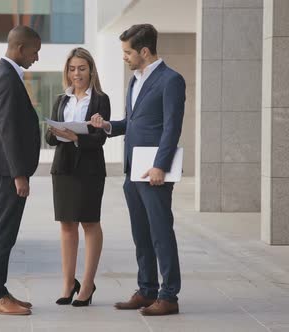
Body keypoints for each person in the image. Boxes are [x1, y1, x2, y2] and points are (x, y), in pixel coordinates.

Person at [90, 24, 185, 316]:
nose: (125, 57)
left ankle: (169, 295)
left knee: (160, 233)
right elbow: (133, 123)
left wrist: (160, 165)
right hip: (133, 170)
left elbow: (172, 127)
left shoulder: (171, 80)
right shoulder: (135, 80)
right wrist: (108, 126)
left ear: (144, 51)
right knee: (141, 234)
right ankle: (147, 290)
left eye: (128, 52)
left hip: (153, 171)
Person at [0, 25, 41, 316]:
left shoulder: (5, 74)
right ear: (20, 49)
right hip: (7, 169)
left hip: (4, 167)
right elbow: (9, 131)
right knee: (4, 232)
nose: (36, 58)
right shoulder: (5, 77)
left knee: (6, 231)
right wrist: (19, 174)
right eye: (34, 52)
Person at [45, 47, 111, 307]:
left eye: (81, 68)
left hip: (90, 168)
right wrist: (56, 131)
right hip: (63, 167)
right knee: (66, 225)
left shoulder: (100, 100)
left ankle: (87, 284)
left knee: (90, 223)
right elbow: (49, 137)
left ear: (91, 70)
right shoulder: (62, 99)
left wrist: (77, 138)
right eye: (72, 69)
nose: (76, 74)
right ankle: (67, 283)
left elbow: (101, 137)